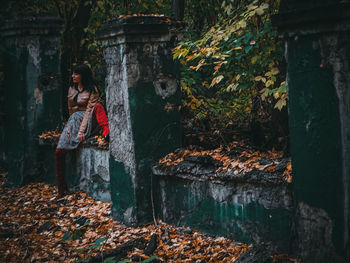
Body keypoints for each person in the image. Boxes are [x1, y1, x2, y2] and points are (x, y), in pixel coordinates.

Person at [55, 64, 109, 198]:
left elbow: (89, 111)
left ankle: (105, 130)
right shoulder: (71, 89)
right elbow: (70, 111)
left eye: (76, 74)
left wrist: (81, 131)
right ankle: (61, 189)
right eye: (72, 73)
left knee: (97, 106)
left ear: (82, 75)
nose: (73, 76)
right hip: (74, 121)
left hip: (88, 120)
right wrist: (69, 129)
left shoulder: (93, 90)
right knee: (59, 152)